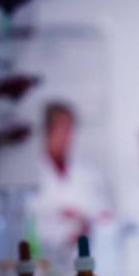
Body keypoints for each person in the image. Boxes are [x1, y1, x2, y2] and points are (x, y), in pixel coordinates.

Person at [32, 101, 111, 254]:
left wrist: (83, 218)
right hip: (47, 263)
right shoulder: (34, 176)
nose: (68, 136)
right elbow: (33, 230)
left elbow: (105, 216)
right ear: (49, 131)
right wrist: (66, 233)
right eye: (63, 129)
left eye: (70, 129)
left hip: (86, 258)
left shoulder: (89, 174)